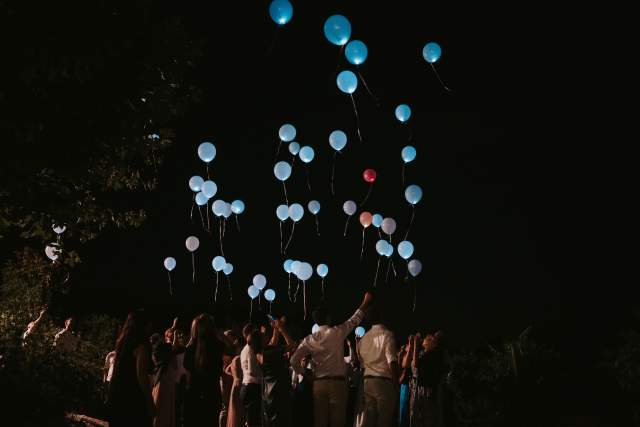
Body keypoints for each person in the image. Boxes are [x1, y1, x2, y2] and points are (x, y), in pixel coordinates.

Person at [290, 291, 373, 427]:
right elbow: (354, 320)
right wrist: (365, 302)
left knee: (320, 422)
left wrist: (305, 374)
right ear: (328, 318)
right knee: (338, 422)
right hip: (338, 384)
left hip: (319, 384)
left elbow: (293, 360)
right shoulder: (337, 332)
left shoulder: (310, 339)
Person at [106, 309, 155, 427]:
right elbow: (141, 376)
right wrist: (150, 401)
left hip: (117, 394)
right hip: (131, 399)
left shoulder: (123, 343)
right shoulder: (141, 347)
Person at [356, 305, 399, 427]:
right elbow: (392, 360)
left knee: (369, 421)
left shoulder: (363, 339)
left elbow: (361, 361)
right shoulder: (387, 335)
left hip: (367, 382)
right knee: (384, 421)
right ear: (381, 316)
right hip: (383, 383)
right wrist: (396, 384)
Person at [183, 314, 224, 427]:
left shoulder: (190, 349)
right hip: (212, 395)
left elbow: (186, 369)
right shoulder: (218, 347)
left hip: (193, 395)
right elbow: (219, 371)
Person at [261, 317, 295, 427]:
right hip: (279, 392)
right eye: (265, 335)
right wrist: (282, 328)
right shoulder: (270, 353)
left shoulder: (262, 353)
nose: (268, 336)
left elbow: (273, 342)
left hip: (268, 393)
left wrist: (276, 329)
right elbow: (292, 345)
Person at [409, 334, 444, 427]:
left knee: (425, 417)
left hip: (425, 390)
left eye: (425, 339)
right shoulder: (425, 354)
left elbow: (416, 363)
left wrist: (416, 344)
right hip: (421, 388)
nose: (423, 340)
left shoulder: (430, 355)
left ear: (429, 343)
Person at [240, 324, 263, 427]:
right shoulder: (250, 350)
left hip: (246, 386)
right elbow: (251, 370)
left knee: (250, 421)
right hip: (252, 388)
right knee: (253, 422)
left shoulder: (244, 349)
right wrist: (263, 375)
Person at [224, 337, 245, 427]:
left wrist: (234, 376)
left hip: (235, 385)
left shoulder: (235, 359)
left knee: (235, 411)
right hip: (243, 384)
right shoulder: (241, 358)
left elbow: (226, 370)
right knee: (241, 412)